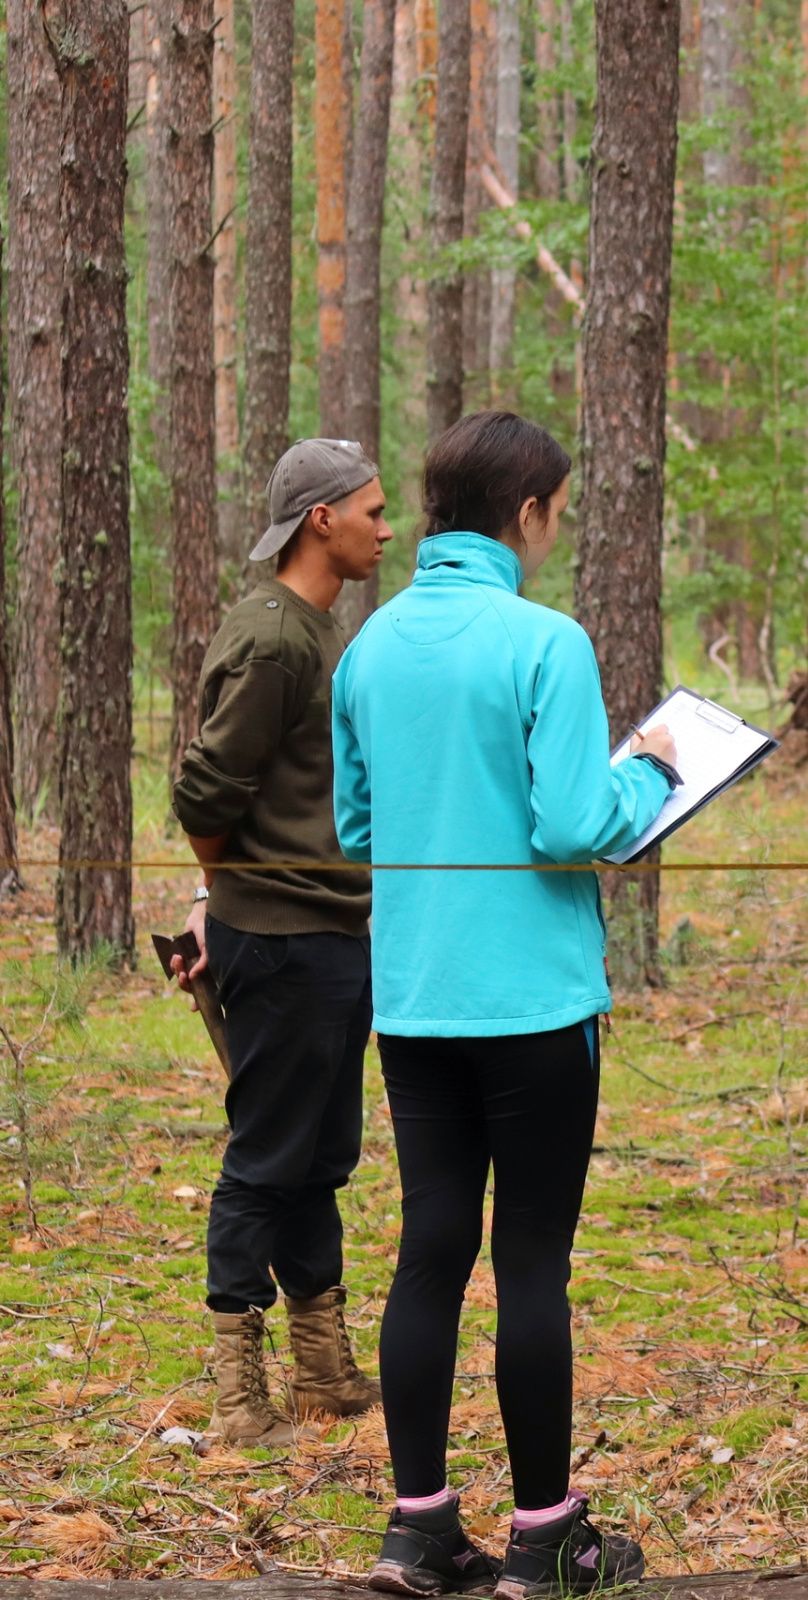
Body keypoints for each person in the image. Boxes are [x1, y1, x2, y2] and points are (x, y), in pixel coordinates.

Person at [334, 413, 679, 1597]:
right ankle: (546, 1536)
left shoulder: (369, 648)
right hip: (531, 1001)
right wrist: (656, 770)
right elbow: (578, 824)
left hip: (417, 998)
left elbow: (358, 827)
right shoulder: (546, 641)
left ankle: (419, 1525)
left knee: (430, 1248)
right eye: (556, 515)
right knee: (531, 1258)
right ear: (526, 515)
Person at [169, 438, 392, 1446]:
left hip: (327, 933)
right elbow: (205, 791)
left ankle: (323, 1370)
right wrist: (231, 892)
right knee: (266, 1160)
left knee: (317, 1157)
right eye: (373, 511)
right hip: (286, 939)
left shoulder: (305, 628)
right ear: (322, 521)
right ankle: (237, 1398)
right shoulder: (275, 639)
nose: (386, 530)